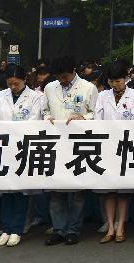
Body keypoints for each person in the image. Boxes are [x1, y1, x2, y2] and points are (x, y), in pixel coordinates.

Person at [0, 65, 45, 248]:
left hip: (24, 148)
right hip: (5, 149)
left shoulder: (35, 98)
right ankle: (5, 229)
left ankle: (16, 229)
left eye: (16, 84)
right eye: (10, 84)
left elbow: (34, 121)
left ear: (24, 80)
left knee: (20, 192)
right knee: (6, 191)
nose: (13, 87)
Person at [42, 55, 97, 246]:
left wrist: (83, 118)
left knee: (77, 192)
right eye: (58, 77)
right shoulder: (50, 88)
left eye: (64, 77)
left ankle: (73, 229)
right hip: (55, 142)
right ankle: (59, 229)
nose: (61, 80)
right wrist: (47, 117)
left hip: (78, 142)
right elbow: (44, 110)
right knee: (55, 191)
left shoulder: (88, 88)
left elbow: (95, 113)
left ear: (73, 71)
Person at [94, 61, 134, 243]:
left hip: (125, 145)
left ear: (126, 78)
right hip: (106, 146)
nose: (115, 84)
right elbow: (98, 120)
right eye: (112, 81)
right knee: (108, 190)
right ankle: (110, 227)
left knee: (123, 190)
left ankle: (121, 225)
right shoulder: (102, 96)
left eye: (118, 80)